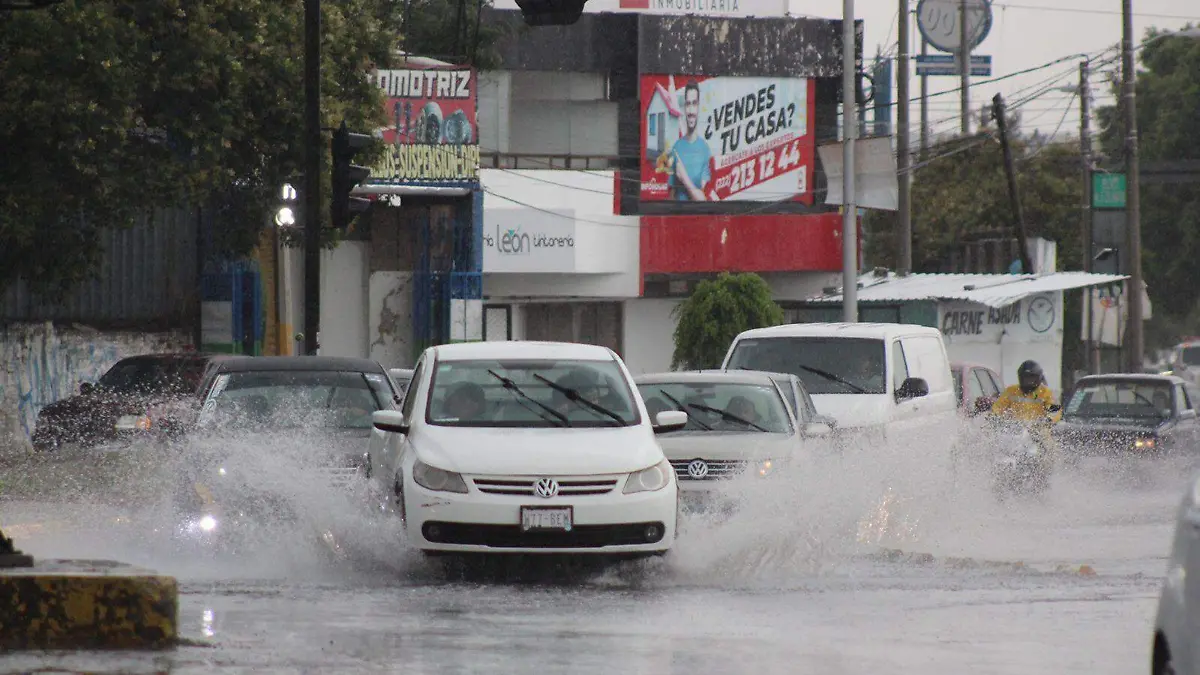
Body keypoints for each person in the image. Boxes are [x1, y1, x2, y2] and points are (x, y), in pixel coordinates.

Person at [990, 360, 1060, 457]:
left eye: (1031, 378)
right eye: (1026, 378)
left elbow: (1055, 409)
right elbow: (998, 406)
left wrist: (1048, 419)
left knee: (1048, 448)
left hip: (1038, 428)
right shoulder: (1012, 390)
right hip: (1014, 429)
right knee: (995, 444)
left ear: (1038, 378)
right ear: (1020, 378)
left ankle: (1045, 468)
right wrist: (994, 416)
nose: (1029, 382)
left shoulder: (1045, 392)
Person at [668, 81, 711, 201]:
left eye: (694, 104)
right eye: (688, 104)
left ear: (699, 107)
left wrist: (684, 178)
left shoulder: (704, 149)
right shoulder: (676, 147)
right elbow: (671, 195)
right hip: (677, 217)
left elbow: (702, 200)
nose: (691, 111)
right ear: (684, 108)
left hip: (698, 217)